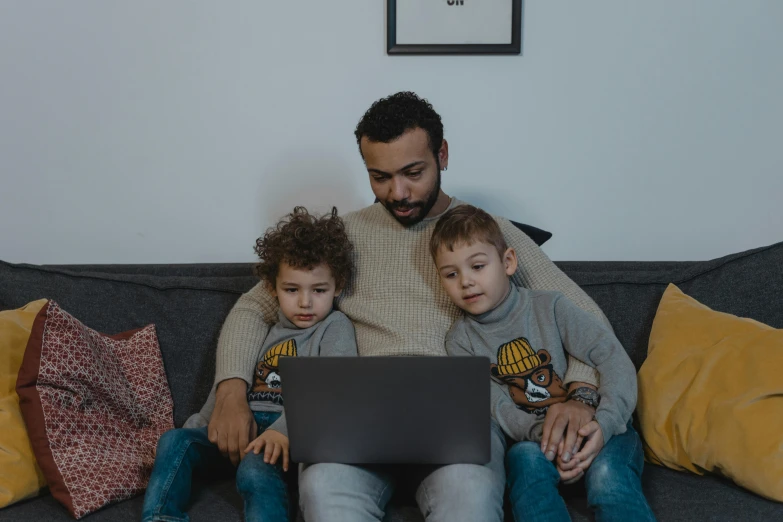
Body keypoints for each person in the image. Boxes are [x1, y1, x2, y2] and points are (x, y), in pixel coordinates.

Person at [209, 92, 611, 521]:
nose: (397, 192)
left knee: (469, 498)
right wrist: (229, 391)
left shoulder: (486, 234)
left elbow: (588, 318)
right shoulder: (341, 236)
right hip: (353, 418)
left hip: (459, 421)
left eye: (413, 172)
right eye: (379, 177)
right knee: (324, 492)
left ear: (443, 154)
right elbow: (255, 308)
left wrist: (582, 395)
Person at [432, 204, 656, 522]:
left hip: (601, 428)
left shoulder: (549, 307)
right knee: (524, 467)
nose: (466, 281)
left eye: (477, 266)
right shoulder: (461, 339)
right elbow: (493, 403)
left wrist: (604, 423)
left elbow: (611, 356)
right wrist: (541, 435)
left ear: (508, 262)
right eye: (451, 274)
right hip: (534, 441)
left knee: (609, 479)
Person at [141, 207, 358, 522]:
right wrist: (200, 424)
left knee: (254, 469)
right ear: (272, 289)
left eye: (319, 290)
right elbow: (231, 390)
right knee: (174, 440)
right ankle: (160, 517)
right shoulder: (265, 326)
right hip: (242, 432)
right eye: (292, 290)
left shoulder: (335, 326)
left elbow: (333, 386)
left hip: (288, 437)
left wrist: (285, 431)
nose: (306, 302)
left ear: (337, 286)